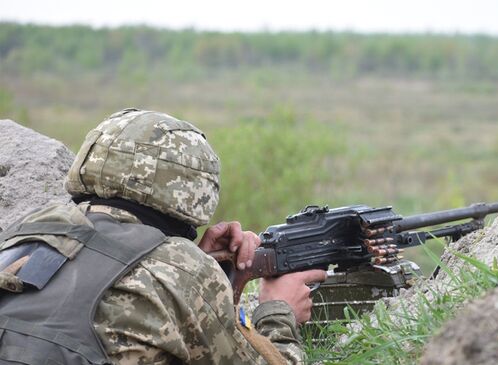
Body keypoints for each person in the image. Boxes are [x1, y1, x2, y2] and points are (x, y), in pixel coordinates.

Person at [0, 108, 326, 365]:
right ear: (191, 190)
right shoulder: (181, 270)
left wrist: (196, 271)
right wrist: (279, 310)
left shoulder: (29, 231)